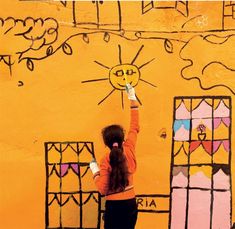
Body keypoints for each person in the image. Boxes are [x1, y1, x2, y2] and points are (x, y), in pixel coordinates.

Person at [90, 83, 139, 229]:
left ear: (106, 143)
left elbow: (103, 189)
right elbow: (134, 126)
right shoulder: (129, 148)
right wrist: (132, 98)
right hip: (131, 204)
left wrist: (95, 171)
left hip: (114, 208)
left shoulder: (105, 159)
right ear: (122, 138)